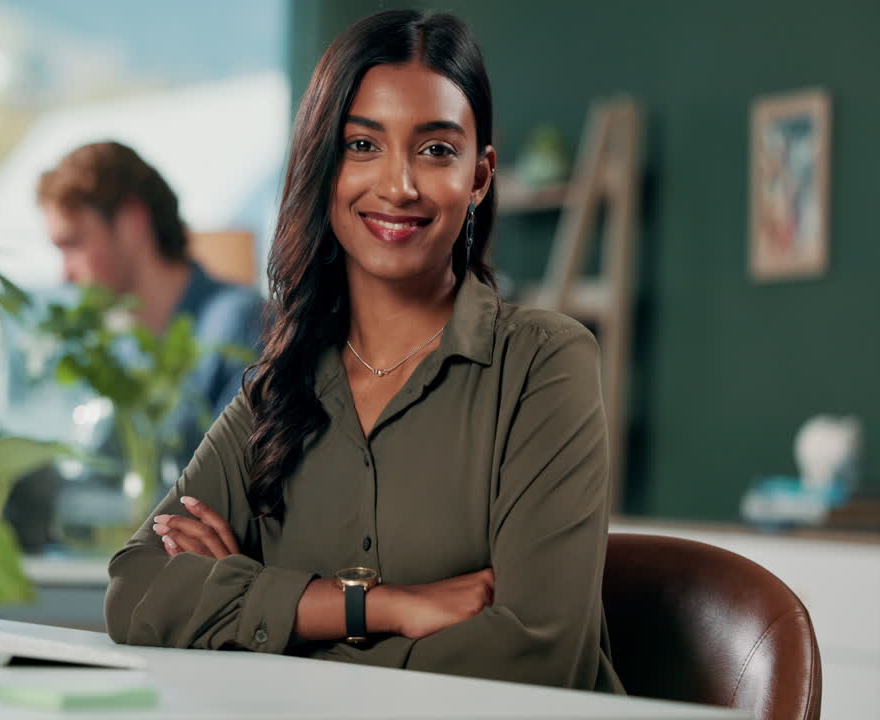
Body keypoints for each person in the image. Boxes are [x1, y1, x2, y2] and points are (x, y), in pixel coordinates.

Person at [104, 9, 622, 692]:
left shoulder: (545, 365)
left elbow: (535, 655)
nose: (399, 185)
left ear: (480, 176)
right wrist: (374, 605)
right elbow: (136, 593)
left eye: (436, 150)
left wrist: (261, 634)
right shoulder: (277, 390)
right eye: (361, 145)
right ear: (323, 168)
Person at [36, 141, 265, 465]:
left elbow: (237, 488)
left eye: (73, 243)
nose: (65, 275)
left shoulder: (242, 326)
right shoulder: (120, 354)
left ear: (132, 221)